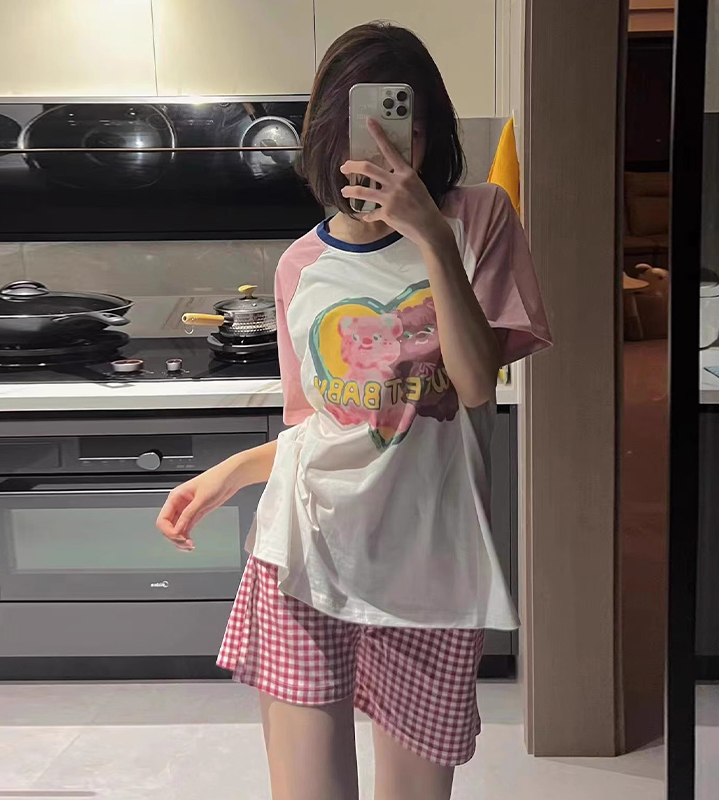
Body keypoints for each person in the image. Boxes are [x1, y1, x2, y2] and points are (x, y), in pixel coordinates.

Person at [156, 21, 551, 800]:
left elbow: (475, 384)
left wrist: (430, 235)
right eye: (351, 126)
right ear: (322, 136)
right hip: (304, 553)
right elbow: (329, 430)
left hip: (430, 569)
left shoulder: (478, 220)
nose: (376, 148)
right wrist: (233, 471)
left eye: (402, 124)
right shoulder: (300, 266)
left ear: (431, 132)